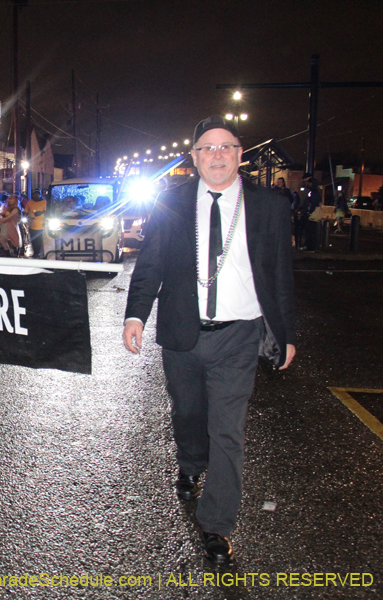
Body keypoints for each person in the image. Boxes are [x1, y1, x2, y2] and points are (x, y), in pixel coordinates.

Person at [123, 116, 296, 566]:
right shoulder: (171, 202)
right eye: (207, 148)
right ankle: (189, 461)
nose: (217, 155)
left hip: (239, 334)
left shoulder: (269, 206)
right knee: (187, 411)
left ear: (240, 154)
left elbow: (280, 275)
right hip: (183, 330)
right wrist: (135, 315)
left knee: (228, 429)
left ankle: (217, 525)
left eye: (226, 147)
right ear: (195, 157)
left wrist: (287, 334)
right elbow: (151, 265)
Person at [25, 189, 48, 258]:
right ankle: (35, 251)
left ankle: (38, 252)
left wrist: (41, 212)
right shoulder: (29, 202)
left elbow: (47, 212)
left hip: (41, 225)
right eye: (35, 193)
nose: (36, 195)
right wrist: (25, 217)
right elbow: (26, 211)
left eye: (38, 193)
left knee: (39, 240)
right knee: (33, 239)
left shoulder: (44, 202)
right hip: (32, 225)